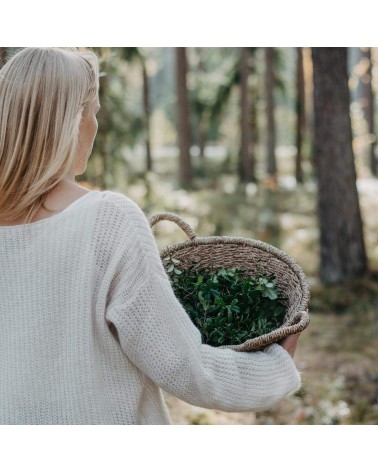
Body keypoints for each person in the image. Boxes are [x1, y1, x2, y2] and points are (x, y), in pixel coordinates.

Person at [0, 47, 301, 425]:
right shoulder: (106, 220)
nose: (95, 125)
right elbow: (184, 367)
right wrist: (277, 367)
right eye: (94, 112)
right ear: (75, 120)